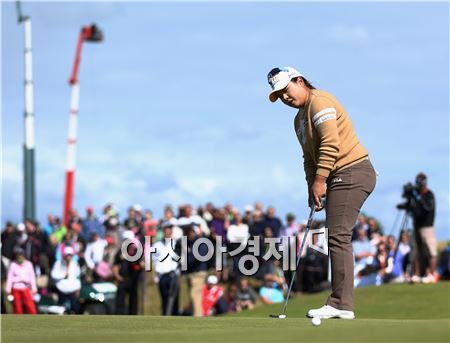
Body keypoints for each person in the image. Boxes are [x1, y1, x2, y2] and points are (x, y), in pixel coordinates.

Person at [267, 66, 376, 319]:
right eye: (279, 95)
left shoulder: (320, 101)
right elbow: (309, 158)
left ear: (300, 80)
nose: (284, 97)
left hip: (352, 170)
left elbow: (331, 144)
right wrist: (312, 185)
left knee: (338, 235)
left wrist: (320, 181)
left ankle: (341, 303)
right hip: (338, 175)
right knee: (336, 235)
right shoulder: (298, 120)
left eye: (286, 89)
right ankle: (342, 303)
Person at [398, 173, 438, 283]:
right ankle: (417, 274)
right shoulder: (417, 196)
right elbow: (412, 207)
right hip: (416, 227)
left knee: (431, 251)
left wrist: (417, 197)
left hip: (427, 227)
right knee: (417, 251)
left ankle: (431, 274)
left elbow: (427, 208)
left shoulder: (429, 195)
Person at [152, 225, 180, 315]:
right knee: (164, 297)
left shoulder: (176, 244)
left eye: (169, 232)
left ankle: (173, 316)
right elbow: (154, 260)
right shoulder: (157, 245)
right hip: (161, 275)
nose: (167, 234)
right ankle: (165, 316)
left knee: (172, 298)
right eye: (165, 232)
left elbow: (179, 259)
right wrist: (155, 274)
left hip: (173, 274)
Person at [6, 247, 38, 314]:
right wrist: (8, 289)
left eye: (21, 255)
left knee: (30, 306)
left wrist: (34, 288)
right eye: (18, 256)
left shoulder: (29, 264)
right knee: (17, 307)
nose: (20, 257)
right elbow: (10, 278)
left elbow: (32, 277)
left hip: (26, 288)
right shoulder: (13, 264)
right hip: (15, 288)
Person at [50, 247, 81, 313]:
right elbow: (53, 274)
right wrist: (63, 275)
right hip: (61, 288)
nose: (69, 257)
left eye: (70, 255)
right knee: (61, 308)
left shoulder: (75, 264)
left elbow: (77, 277)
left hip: (72, 289)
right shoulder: (58, 263)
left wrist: (78, 288)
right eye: (67, 255)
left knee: (75, 307)